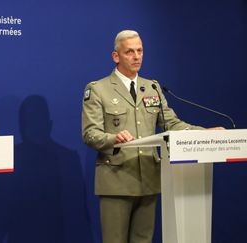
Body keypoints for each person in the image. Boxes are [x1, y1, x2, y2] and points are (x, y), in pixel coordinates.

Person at [81, 30, 221, 243]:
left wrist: (203, 133)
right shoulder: (98, 89)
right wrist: (113, 138)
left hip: (148, 179)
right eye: (129, 52)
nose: (137, 56)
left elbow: (171, 124)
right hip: (117, 180)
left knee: (143, 240)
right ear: (116, 56)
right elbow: (90, 134)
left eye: (140, 51)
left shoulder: (152, 88)